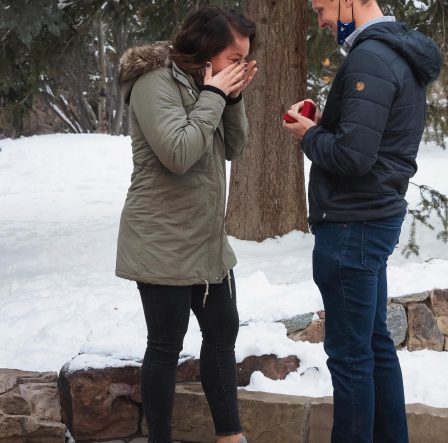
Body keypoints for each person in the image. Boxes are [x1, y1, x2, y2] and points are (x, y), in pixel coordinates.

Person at [283, 0, 442, 442]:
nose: (321, 21)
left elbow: (353, 156)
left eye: (321, 9)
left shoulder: (370, 57)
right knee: (374, 346)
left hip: (353, 222)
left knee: (351, 358)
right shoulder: (395, 52)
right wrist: (323, 125)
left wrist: (309, 135)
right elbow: (369, 139)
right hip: (373, 216)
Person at [115, 6, 257, 443]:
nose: (241, 67)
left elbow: (234, 144)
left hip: (208, 241)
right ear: (207, 48)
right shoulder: (153, 81)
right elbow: (178, 153)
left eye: (245, 60)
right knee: (165, 347)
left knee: (221, 336)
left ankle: (229, 436)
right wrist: (215, 95)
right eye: (235, 57)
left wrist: (229, 97)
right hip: (161, 240)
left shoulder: (206, 84)